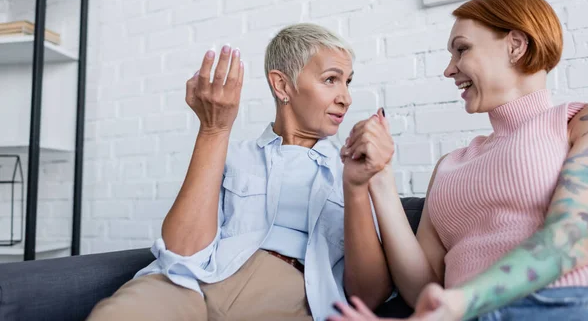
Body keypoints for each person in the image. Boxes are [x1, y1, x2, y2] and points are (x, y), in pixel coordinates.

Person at [86, 23, 393, 321]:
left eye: (347, 81)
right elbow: (182, 251)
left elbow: (369, 295)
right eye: (331, 80)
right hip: (187, 283)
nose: (346, 97)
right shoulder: (232, 155)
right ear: (283, 85)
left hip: (287, 296)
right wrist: (214, 129)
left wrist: (354, 188)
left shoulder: (354, 167)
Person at [329, 0, 588, 321]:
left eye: (462, 50)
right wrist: (381, 178)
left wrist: (460, 303)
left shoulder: (584, 122)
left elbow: (571, 237)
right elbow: (424, 287)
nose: (449, 69)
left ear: (515, 45)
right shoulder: (451, 165)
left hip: (559, 305)